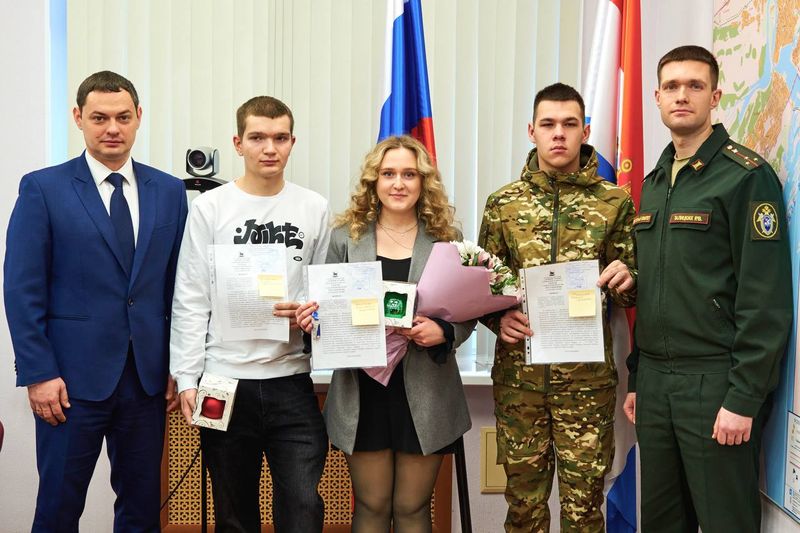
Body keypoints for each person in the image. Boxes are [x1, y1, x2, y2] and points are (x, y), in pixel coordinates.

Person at [4, 70, 188, 532]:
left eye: (123, 117)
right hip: (68, 384)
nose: (112, 128)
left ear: (139, 116)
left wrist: (180, 364)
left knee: (141, 512)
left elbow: (178, 286)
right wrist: (39, 373)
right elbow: (22, 289)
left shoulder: (169, 191)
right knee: (58, 510)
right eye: (100, 117)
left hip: (146, 382)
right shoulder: (44, 188)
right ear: (78, 118)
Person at [623, 45, 792, 532]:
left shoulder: (745, 177)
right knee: (661, 522)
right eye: (671, 86)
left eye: (695, 85)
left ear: (715, 96)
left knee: (725, 522)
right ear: (657, 97)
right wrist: (638, 378)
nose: (682, 95)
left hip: (715, 382)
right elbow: (659, 286)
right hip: (655, 383)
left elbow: (765, 300)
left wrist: (743, 397)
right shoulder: (655, 182)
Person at [477, 82, 636, 532]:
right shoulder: (503, 204)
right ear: (532, 131)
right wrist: (497, 318)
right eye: (548, 124)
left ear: (585, 131)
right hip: (520, 382)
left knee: (584, 512)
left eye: (569, 124)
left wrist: (628, 279)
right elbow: (483, 286)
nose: (559, 134)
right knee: (523, 510)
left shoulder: (614, 202)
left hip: (586, 385)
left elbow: (632, 288)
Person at [296, 135, 474, 532]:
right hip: (363, 391)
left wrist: (445, 330)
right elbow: (323, 306)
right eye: (388, 173)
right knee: (372, 506)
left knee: (412, 507)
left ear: (423, 181)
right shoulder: (345, 238)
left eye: (409, 174)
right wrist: (314, 322)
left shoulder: (446, 239)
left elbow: (468, 308)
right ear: (373, 181)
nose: (398, 183)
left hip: (426, 390)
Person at [170, 96, 330, 533]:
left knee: (303, 508)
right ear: (238, 143)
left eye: (280, 138)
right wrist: (187, 378)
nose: (269, 148)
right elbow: (191, 296)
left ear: (293, 142)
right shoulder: (210, 207)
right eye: (257, 137)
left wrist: (309, 313)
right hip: (223, 379)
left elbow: (323, 293)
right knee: (234, 515)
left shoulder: (314, 207)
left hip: (291, 379)